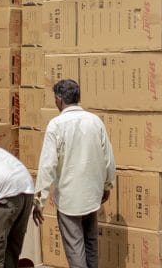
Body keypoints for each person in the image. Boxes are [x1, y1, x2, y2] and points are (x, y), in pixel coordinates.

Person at [32, 79, 115, 268]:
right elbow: (108, 158)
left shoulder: (56, 125)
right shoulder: (95, 121)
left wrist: (38, 201)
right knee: (91, 244)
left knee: (75, 248)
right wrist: (107, 186)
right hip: (93, 196)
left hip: (70, 201)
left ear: (59, 99)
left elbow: (47, 166)